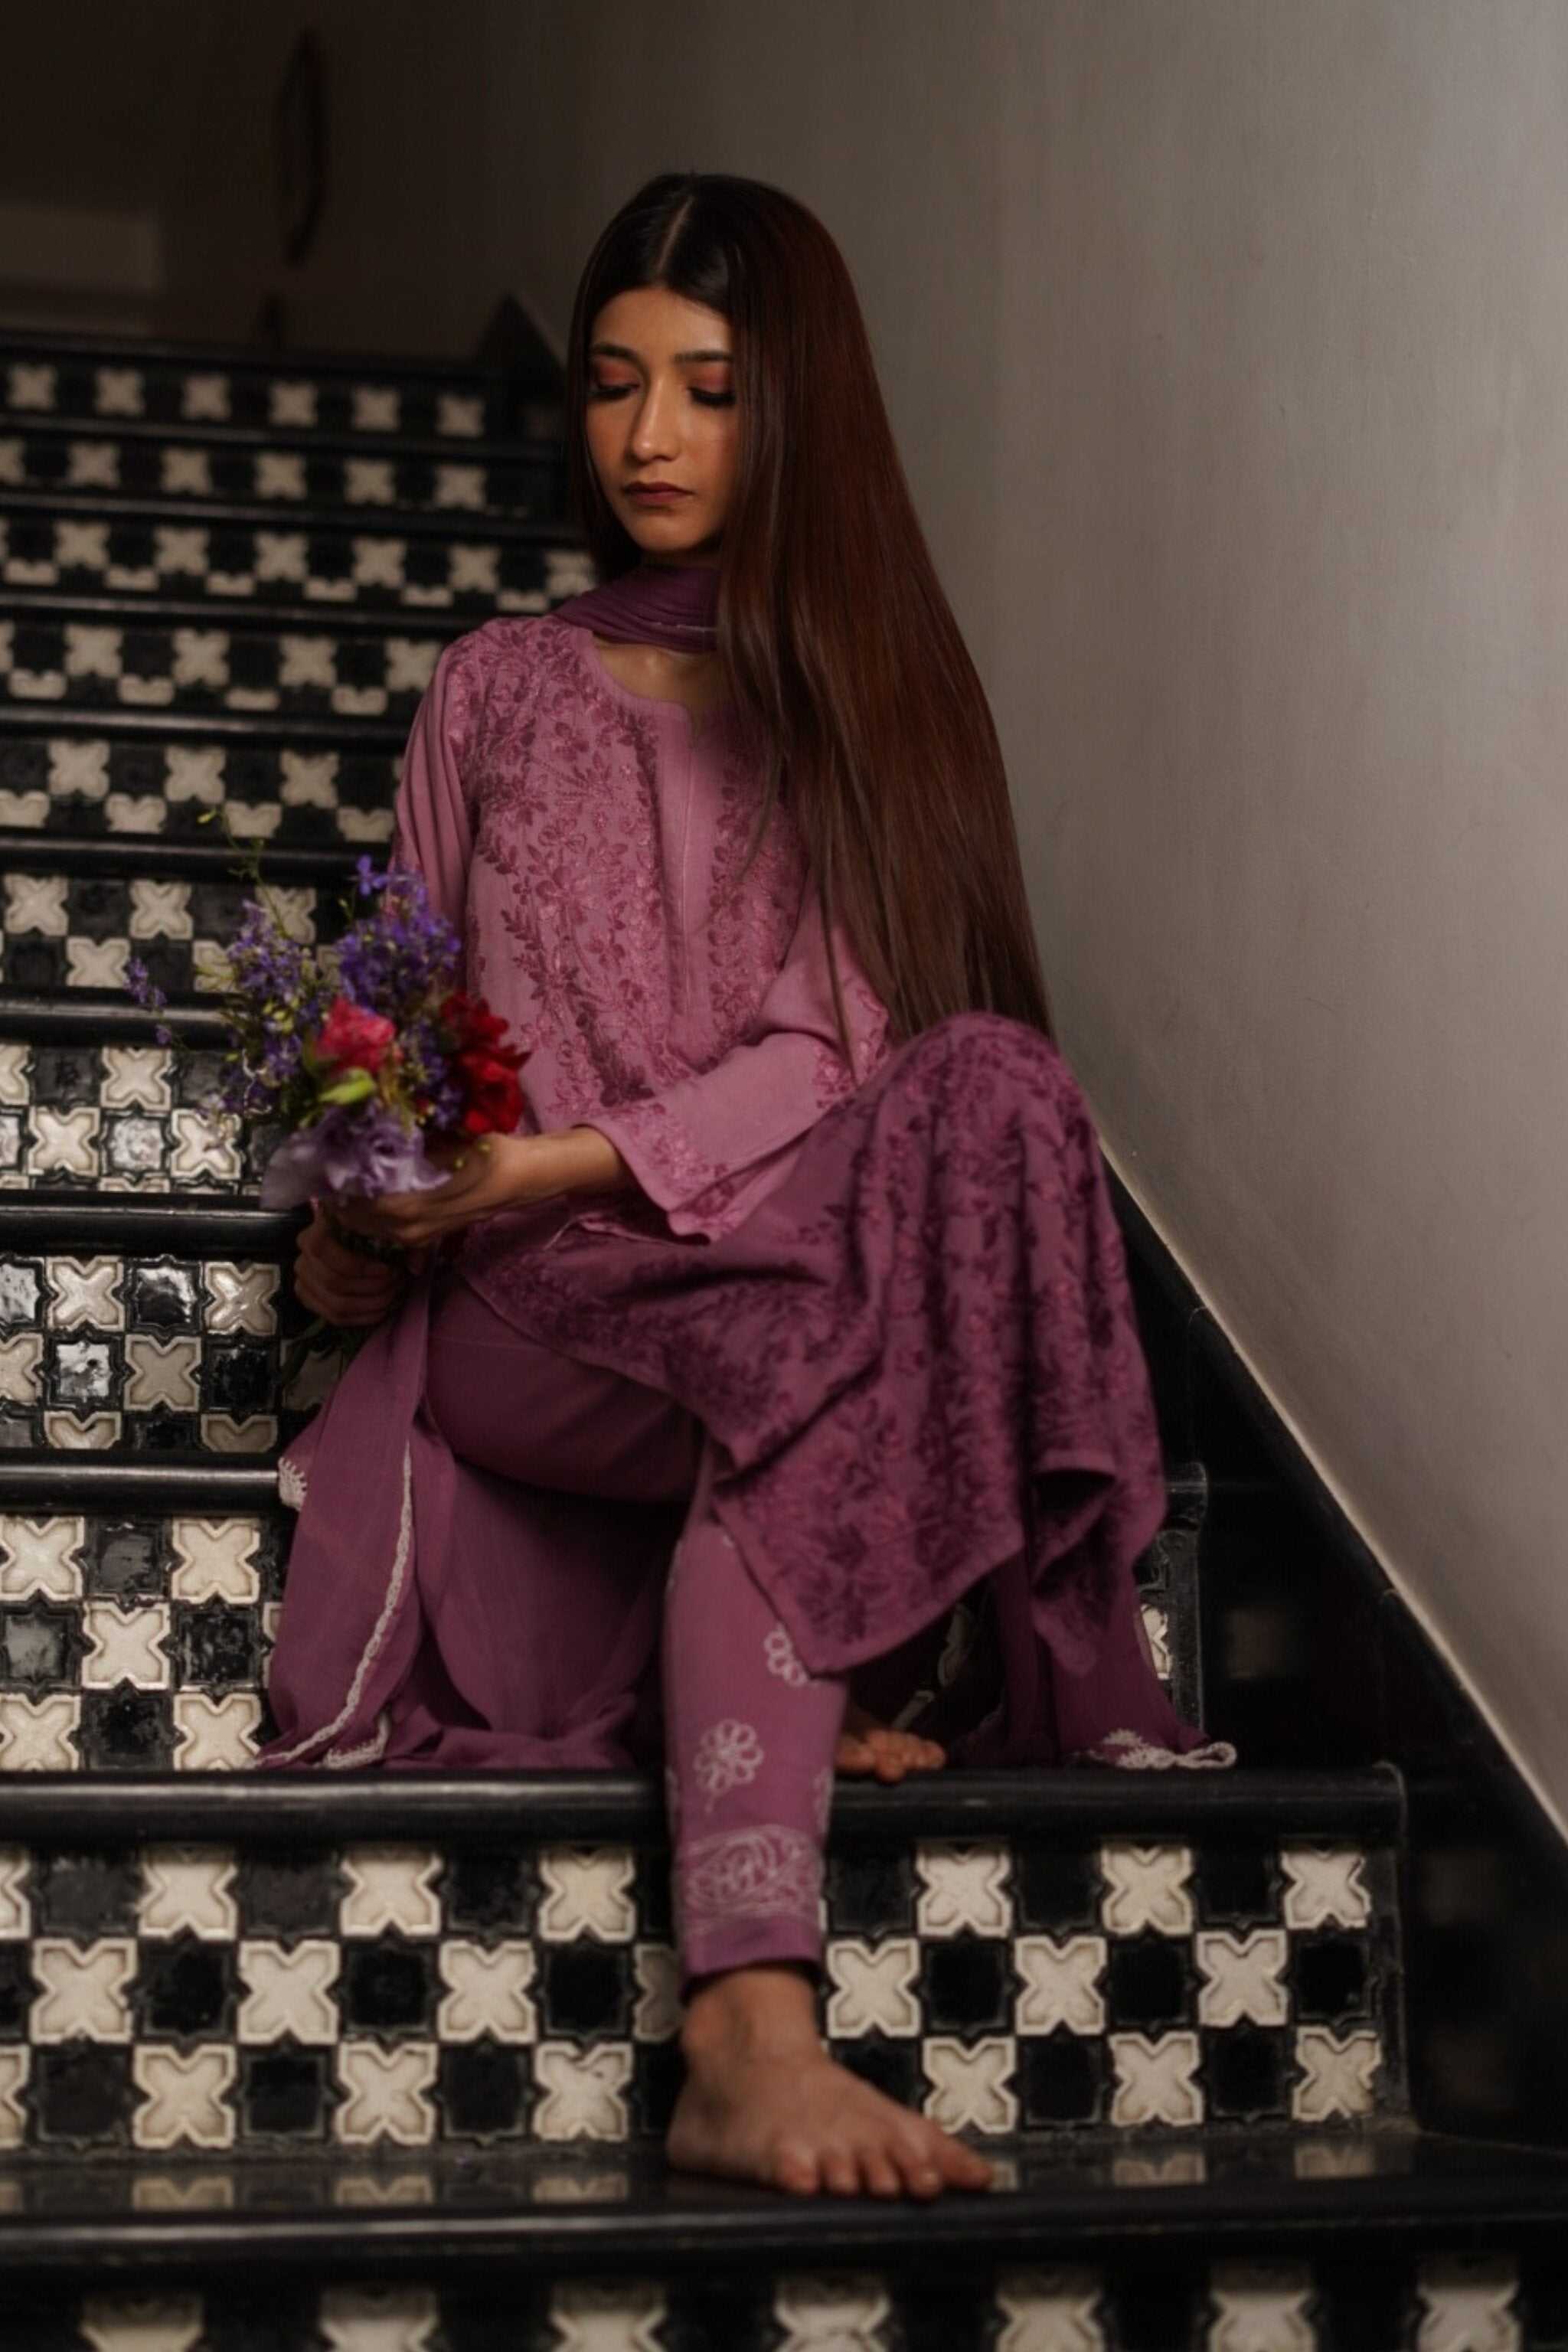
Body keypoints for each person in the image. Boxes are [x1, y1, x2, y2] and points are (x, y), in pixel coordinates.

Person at [260, 170, 1233, 2203]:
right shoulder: (495, 686)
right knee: (808, 1345)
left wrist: (559, 1146)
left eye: (709, 387)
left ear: (799, 407)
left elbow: (834, 1058)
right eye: (614, 383)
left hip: (768, 1292)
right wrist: (375, 1190)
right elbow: (398, 1022)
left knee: (984, 1083)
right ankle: (749, 2025)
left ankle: (786, 1757)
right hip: (532, 1304)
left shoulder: (865, 701)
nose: (648, 436)